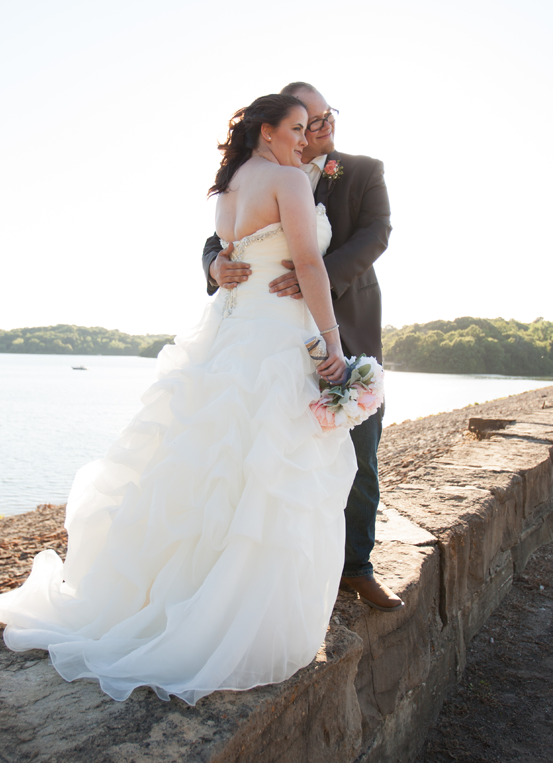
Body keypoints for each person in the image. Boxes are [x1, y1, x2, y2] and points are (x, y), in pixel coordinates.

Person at [0, 94, 358, 704]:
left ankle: (182, 596)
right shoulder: (288, 178)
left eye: (307, 128)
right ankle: (237, 623)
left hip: (233, 335)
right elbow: (309, 265)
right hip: (274, 339)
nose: (303, 137)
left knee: (207, 466)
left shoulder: (232, 186)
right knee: (264, 471)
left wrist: (222, 269)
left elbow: (231, 255)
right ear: (267, 131)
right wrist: (332, 348)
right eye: (294, 128)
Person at [202, 82, 400, 612]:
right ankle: (283, 571)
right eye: (311, 119)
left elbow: (376, 235)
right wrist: (214, 265)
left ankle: (355, 569)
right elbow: (221, 240)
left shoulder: (361, 171)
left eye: (327, 114)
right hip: (273, 336)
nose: (324, 125)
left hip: (345, 327)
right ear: (288, 126)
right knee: (269, 454)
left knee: (358, 458)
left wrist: (316, 281)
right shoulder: (266, 174)